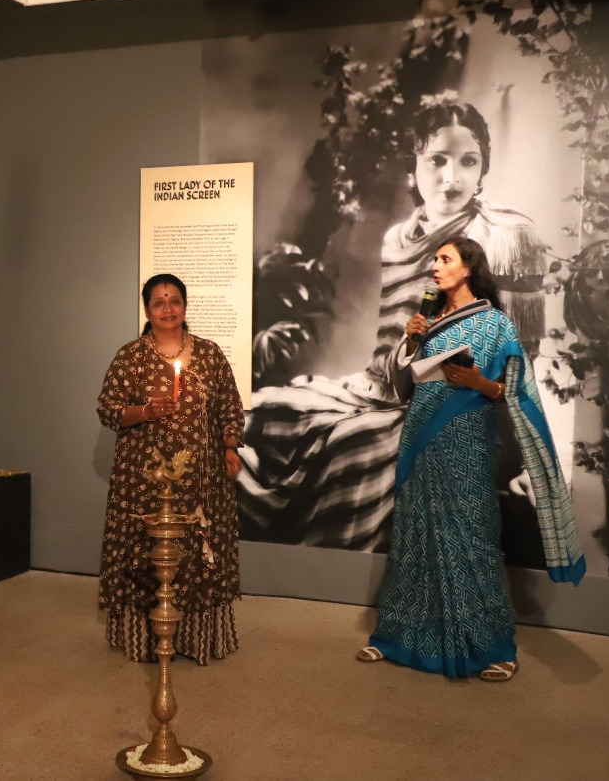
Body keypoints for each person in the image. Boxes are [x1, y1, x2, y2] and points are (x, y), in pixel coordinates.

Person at [240, 101, 547, 550]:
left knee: (351, 444)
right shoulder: (398, 238)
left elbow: (520, 364)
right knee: (261, 410)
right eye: (437, 160)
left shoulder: (505, 236)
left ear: (483, 168)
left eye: (468, 161)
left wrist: (530, 463)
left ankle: (330, 580)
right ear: (413, 166)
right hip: (384, 389)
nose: (452, 178)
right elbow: (391, 351)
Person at [356, 237, 584, 680]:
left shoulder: (496, 324)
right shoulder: (427, 321)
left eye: (445, 259)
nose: (435, 266)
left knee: (473, 539)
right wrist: (410, 343)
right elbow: (401, 388)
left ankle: (494, 647)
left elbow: (513, 391)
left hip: (468, 443)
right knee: (415, 535)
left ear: (468, 268)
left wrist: (479, 382)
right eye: (434, 259)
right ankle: (397, 636)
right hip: (420, 440)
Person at [96, 274, 245, 664]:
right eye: (159, 302)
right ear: (147, 310)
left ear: (185, 306)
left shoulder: (209, 354)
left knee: (197, 553)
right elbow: (109, 411)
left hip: (202, 482)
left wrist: (230, 447)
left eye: (174, 301)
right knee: (146, 554)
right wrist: (146, 411)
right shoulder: (131, 356)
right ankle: (146, 639)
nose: (167, 309)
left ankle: (196, 639)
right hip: (143, 481)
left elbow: (230, 407)